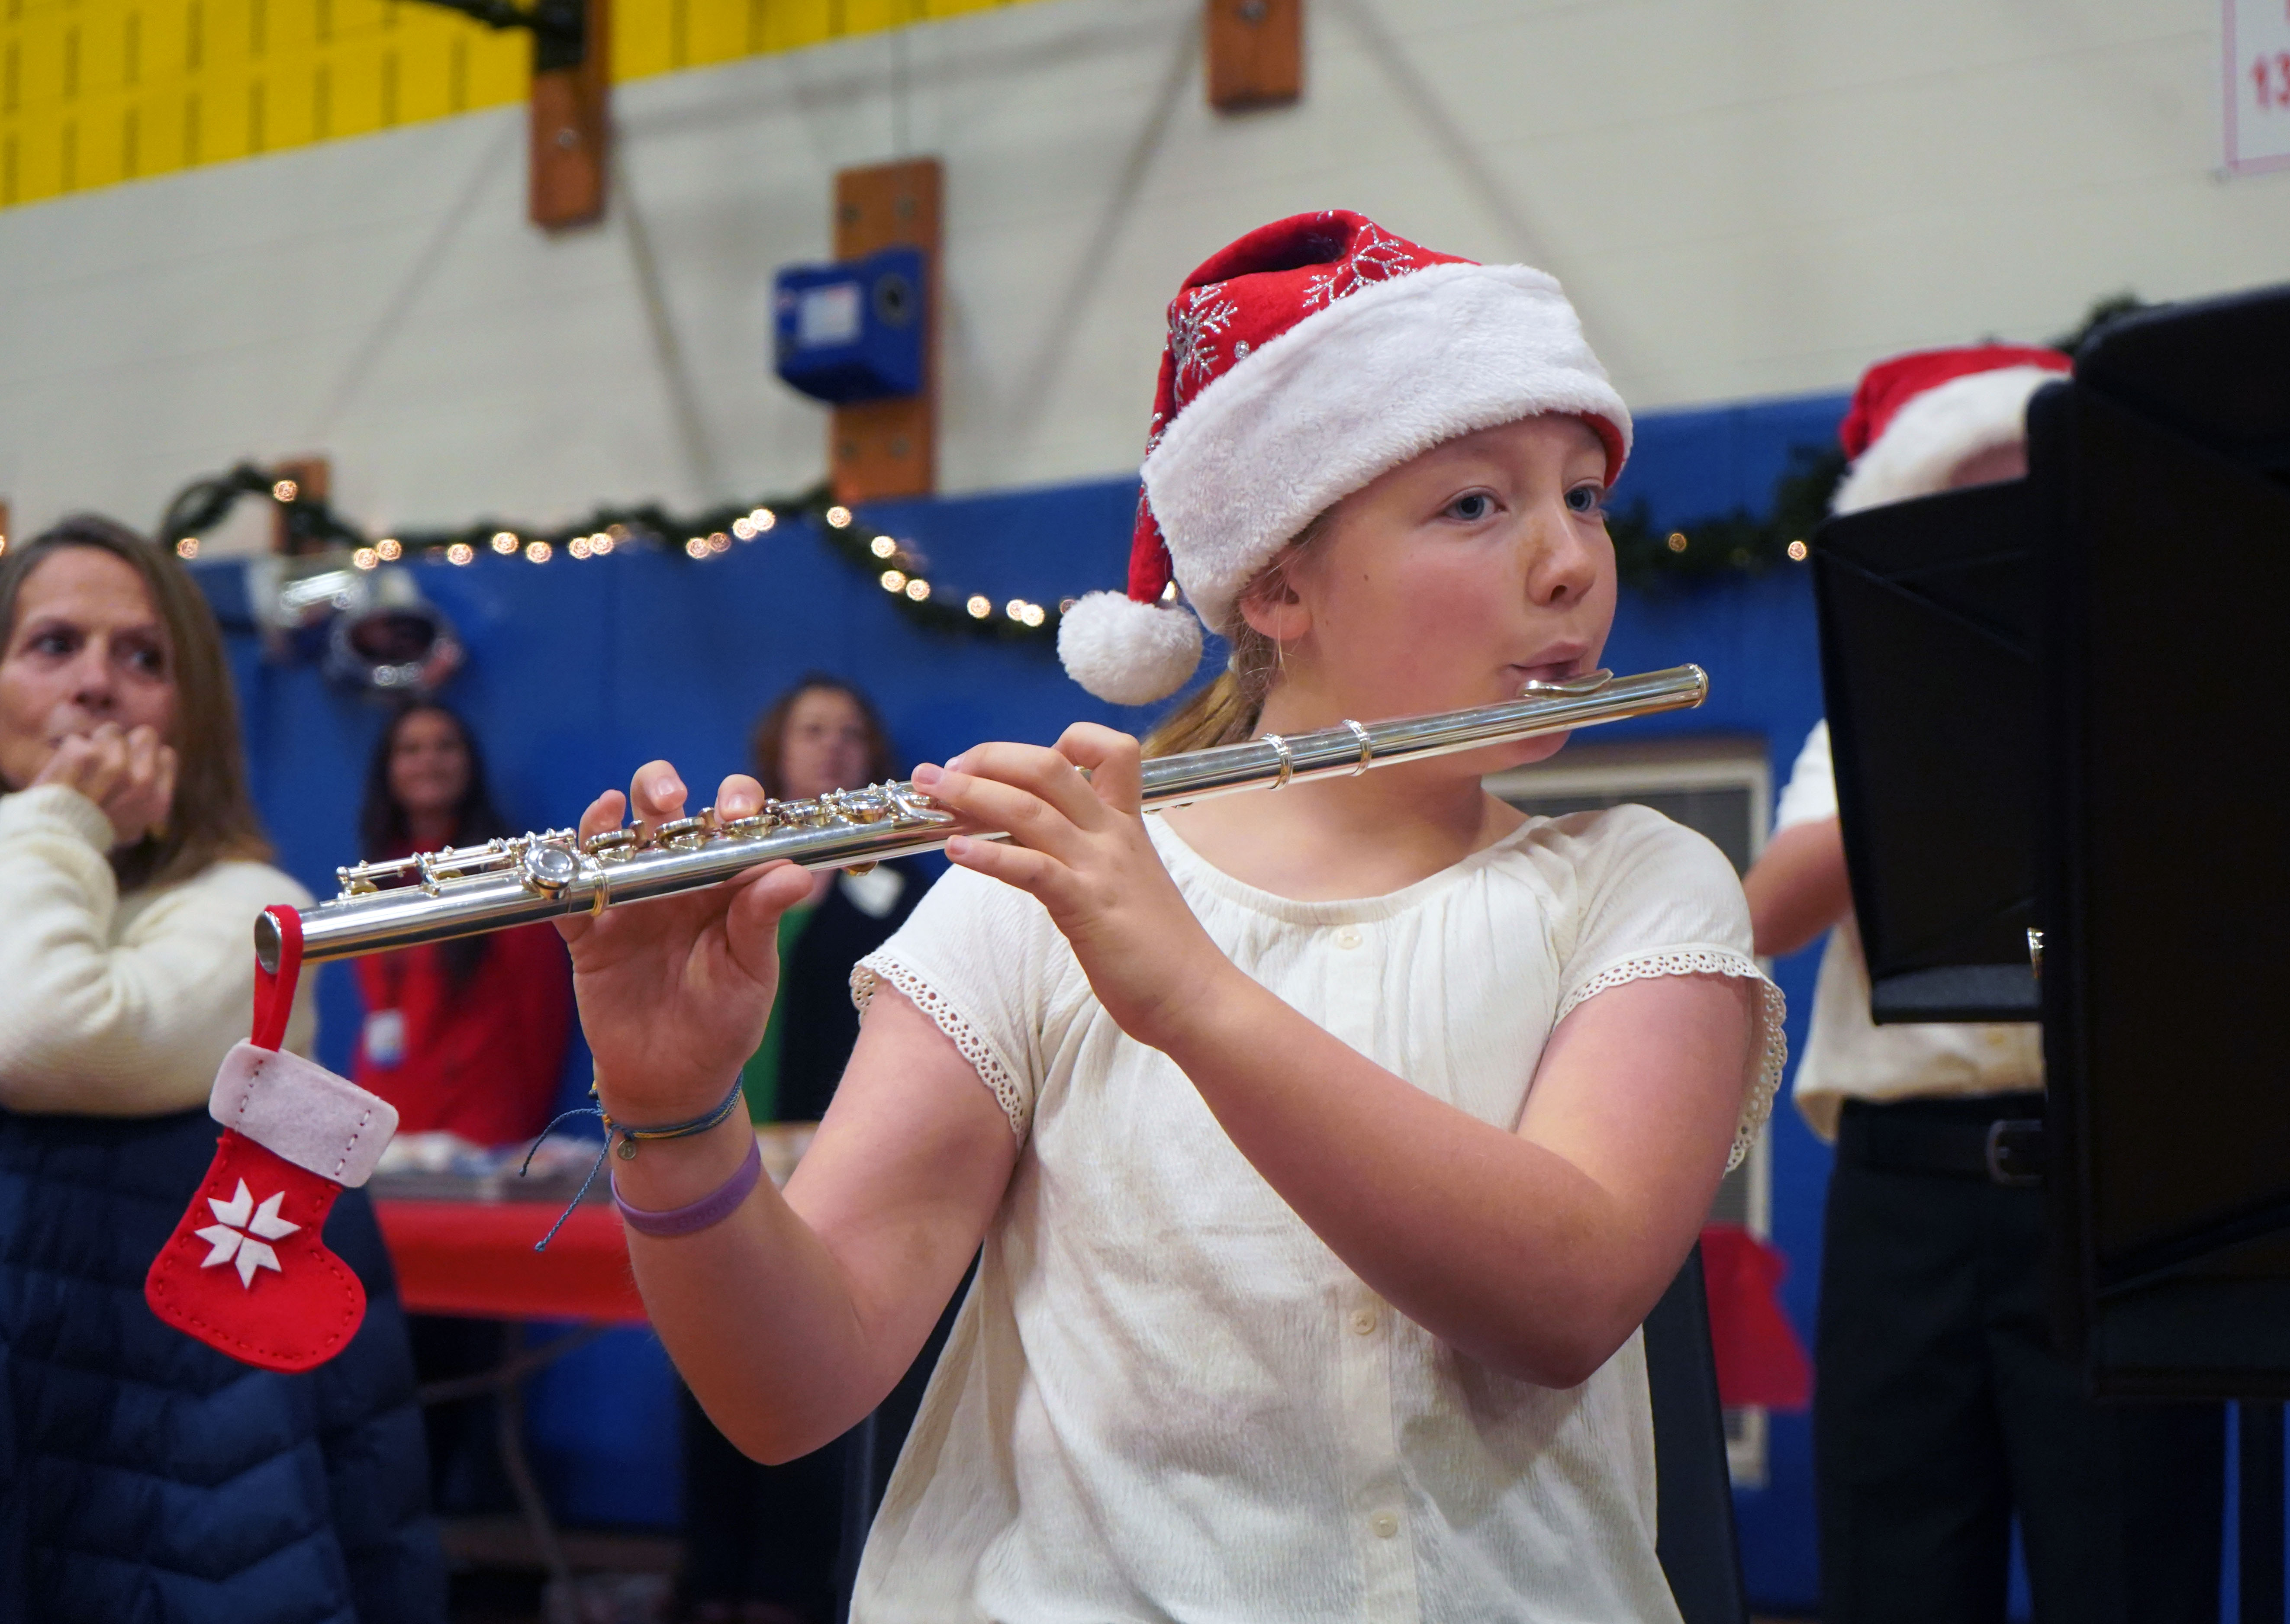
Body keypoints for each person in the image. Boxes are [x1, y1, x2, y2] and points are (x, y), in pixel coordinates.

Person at [564, 212, 1786, 1621]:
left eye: (1586, 495)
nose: (1572, 561)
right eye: (1476, 505)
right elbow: (792, 1392)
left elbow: (1566, 1296)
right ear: (1276, 581)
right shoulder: (1038, 899)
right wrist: (671, 1112)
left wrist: (1192, 996)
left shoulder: (1638, 879)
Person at [1741, 346, 2223, 1623]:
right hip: (1903, 1191)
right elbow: (1760, 914)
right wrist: (1942, 709)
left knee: (2130, 1567)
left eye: (2041, 493)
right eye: (1975, 500)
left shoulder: (2165, 699)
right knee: (1889, 1560)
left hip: (2112, 1189)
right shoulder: (1861, 721)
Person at [0, 514, 443, 1623]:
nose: (98, 686)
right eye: (54, 645)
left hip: (157, 1472)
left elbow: (47, 1031)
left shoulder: (254, 909)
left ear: (192, 712)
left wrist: (59, 819)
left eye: (145, 658)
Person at [680, 675, 928, 1624]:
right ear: (776, 747)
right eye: (812, 730)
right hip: (728, 1164)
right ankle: (712, 1576)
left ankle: (796, 1584)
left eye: (850, 733)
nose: (831, 748)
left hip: (847, 1167)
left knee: (819, 1372)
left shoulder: (907, 878)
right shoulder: (726, 870)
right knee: (710, 1369)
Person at [351, 699, 573, 1147]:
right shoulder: (375, 876)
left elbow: (541, 1020)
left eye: (444, 746)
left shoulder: (509, 877)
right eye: (410, 749)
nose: (428, 760)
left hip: (480, 1132)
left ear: (470, 763)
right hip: (384, 1126)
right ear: (388, 769)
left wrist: (518, 1133)